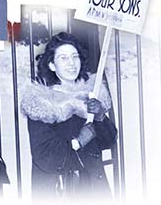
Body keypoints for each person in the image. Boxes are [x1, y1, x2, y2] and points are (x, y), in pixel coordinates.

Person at [21, 31, 117, 204]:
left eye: (75, 56)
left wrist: (101, 116)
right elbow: (43, 153)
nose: (71, 63)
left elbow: (108, 141)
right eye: (63, 58)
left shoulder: (90, 94)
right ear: (51, 65)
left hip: (93, 189)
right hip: (58, 190)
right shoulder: (41, 102)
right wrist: (78, 141)